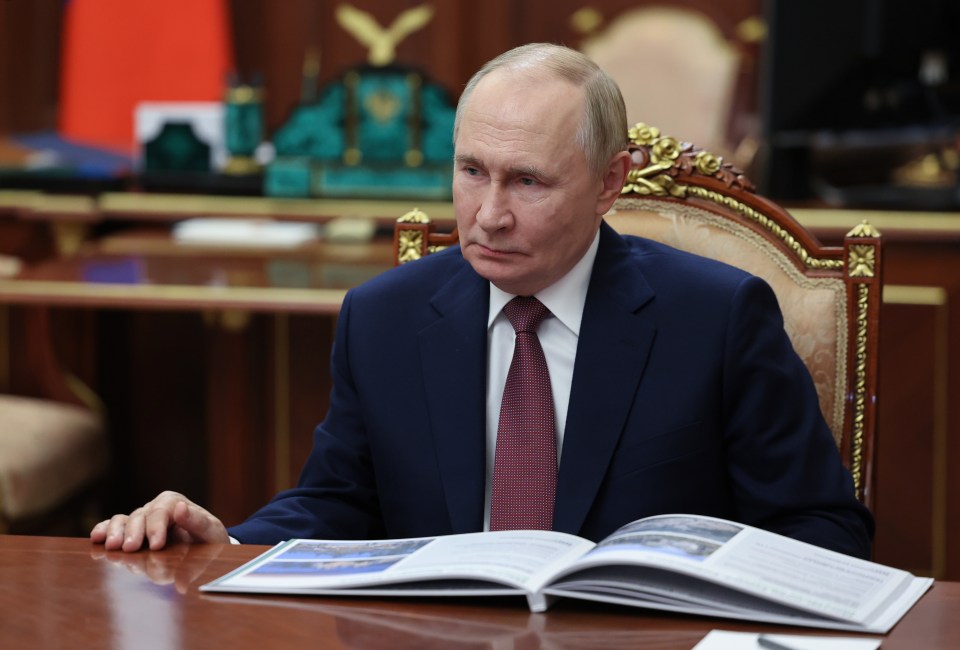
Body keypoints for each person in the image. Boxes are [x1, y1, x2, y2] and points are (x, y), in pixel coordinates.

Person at [91, 43, 874, 558]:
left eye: (527, 180)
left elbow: (824, 528)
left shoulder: (716, 317)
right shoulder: (384, 318)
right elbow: (336, 504)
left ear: (609, 183)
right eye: (472, 171)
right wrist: (224, 543)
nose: (488, 214)